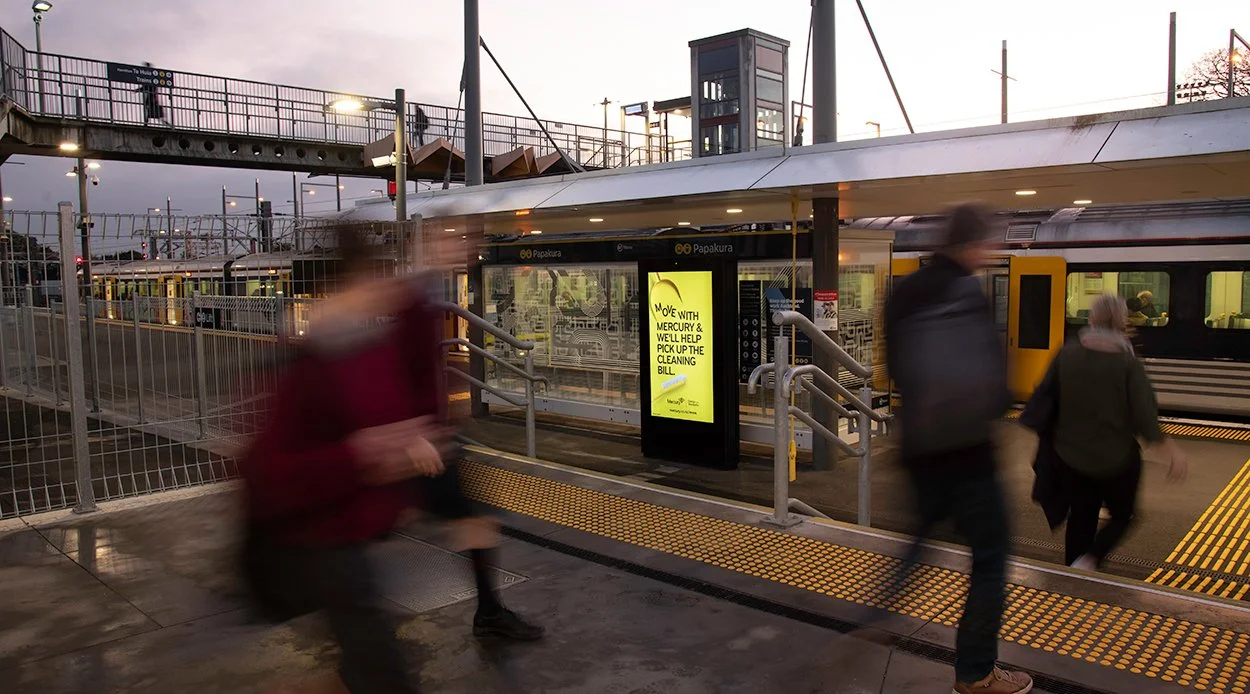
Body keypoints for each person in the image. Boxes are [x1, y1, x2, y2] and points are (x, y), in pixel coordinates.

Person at [240, 226, 541, 694]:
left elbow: (379, 412)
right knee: (378, 671)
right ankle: (490, 612)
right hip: (319, 537)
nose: (381, 297)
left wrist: (405, 439)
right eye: (371, 284)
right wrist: (370, 452)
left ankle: (489, 610)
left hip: (345, 530)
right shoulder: (319, 356)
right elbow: (270, 470)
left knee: (372, 667)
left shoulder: (358, 345)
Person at [884, 203, 1032, 694]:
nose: (991, 253)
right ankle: (976, 672)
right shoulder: (965, 293)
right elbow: (987, 382)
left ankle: (881, 600)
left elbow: (899, 368)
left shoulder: (904, 291)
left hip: (920, 449)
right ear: (970, 245)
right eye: (988, 244)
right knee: (991, 555)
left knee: (925, 530)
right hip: (966, 453)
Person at [1047, 294, 1187, 571]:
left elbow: (1046, 402)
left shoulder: (1067, 354)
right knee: (1124, 515)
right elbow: (1145, 416)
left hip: (1070, 455)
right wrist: (1171, 452)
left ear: (1092, 318)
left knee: (1081, 516)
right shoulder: (1128, 363)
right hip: (1116, 458)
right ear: (1122, 322)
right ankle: (1090, 559)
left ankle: (1072, 575)